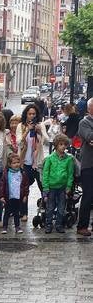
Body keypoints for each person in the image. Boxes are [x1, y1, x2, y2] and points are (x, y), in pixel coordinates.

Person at [16, 104, 48, 220]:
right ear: (26, 115)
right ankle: (23, 213)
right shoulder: (21, 126)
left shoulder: (40, 126)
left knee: (43, 187)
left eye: (34, 114)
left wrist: (40, 132)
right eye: (29, 114)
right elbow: (19, 142)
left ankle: (45, 210)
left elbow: (47, 140)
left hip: (38, 163)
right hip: (25, 162)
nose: (31, 116)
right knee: (24, 188)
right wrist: (27, 131)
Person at [41, 134, 75, 234]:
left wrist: (69, 186)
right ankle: (48, 224)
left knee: (61, 207)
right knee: (50, 207)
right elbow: (45, 173)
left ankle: (59, 224)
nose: (63, 146)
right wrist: (45, 187)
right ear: (56, 145)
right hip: (51, 187)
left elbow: (70, 174)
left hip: (62, 188)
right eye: (60, 144)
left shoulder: (69, 159)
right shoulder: (50, 158)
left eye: (65, 144)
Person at [0, 153, 29, 234]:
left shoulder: (22, 173)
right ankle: (5, 227)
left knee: (16, 213)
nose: (16, 164)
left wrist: (25, 195)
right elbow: (2, 185)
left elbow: (26, 185)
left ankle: (17, 226)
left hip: (18, 196)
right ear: (9, 164)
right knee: (7, 212)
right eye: (14, 163)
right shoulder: (6, 174)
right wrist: (1, 196)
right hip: (9, 196)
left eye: (18, 162)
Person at [76, 97, 93, 237]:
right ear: (89, 108)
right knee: (88, 195)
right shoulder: (84, 122)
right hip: (89, 164)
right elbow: (90, 137)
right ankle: (82, 226)